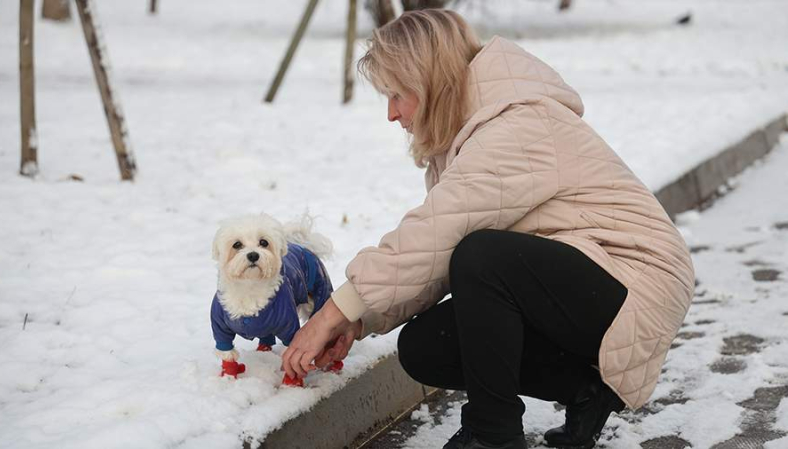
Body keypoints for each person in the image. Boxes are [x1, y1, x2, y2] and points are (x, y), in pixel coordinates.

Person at [281, 9, 694, 449]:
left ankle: (494, 436)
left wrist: (331, 314)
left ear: (426, 81)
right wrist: (359, 322)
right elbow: (437, 257)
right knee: (426, 345)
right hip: (588, 276)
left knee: (482, 257)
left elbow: (435, 236)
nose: (391, 113)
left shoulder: (516, 125)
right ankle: (584, 392)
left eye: (397, 94)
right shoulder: (471, 130)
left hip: (637, 279)